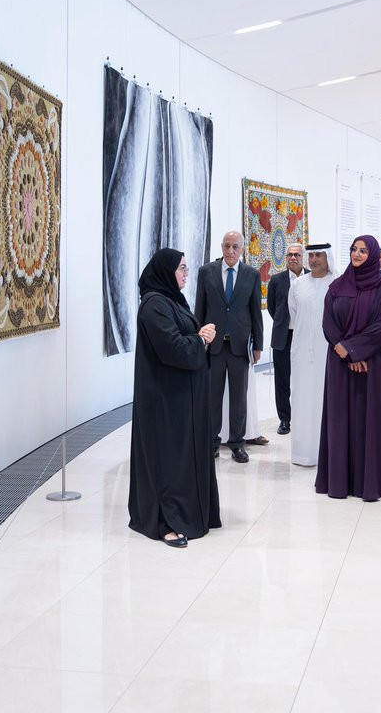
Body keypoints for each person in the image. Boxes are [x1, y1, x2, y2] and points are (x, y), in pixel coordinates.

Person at [128, 249, 222, 548]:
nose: (186, 273)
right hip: (164, 400)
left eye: (186, 268)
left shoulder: (172, 300)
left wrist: (199, 337)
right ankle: (166, 522)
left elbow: (182, 338)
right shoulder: (154, 305)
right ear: (165, 272)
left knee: (182, 457)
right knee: (167, 459)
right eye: (181, 268)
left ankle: (191, 512)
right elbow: (173, 349)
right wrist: (201, 339)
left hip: (180, 396)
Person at [316, 235, 381, 501]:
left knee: (370, 419)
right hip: (341, 362)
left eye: (363, 251)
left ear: (374, 255)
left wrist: (354, 350)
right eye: (354, 249)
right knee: (341, 419)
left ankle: (371, 482)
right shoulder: (337, 286)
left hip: (373, 363)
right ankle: (340, 481)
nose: (357, 254)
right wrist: (345, 350)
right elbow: (328, 321)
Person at [196, 231, 264, 463]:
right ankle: (212, 443)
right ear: (221, 247)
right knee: (212, 397)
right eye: (227, 246)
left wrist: (258, 345)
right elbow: (200, 309)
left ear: (242, 249)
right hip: (213, 347)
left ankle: (237, 444)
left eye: (235, 246)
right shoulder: (206, 272)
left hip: (240, 347)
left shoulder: (252, 275)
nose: (230, 251)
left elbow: (255, 312)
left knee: (238, 400)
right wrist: (198, 340)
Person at [287, 243, 336, 466]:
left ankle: (327, 454)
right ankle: (303, 453)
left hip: (329, 353)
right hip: (302, 353)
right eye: (312, 255)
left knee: (326, 400)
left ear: (328, 258)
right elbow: (294, 314)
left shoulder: (337, 283)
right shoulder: (298, 284)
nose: (314, 259)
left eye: (319, 255)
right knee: (302, 400)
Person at [267, 244, 304, 436]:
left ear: (303, 257)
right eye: (290, 254)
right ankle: (284, 419)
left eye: (297, 254)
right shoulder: (276, 280)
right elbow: (272, 308)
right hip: (283, 337)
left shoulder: (311, 278)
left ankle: (304, 416)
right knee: (282, 380)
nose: (293, 258)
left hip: (305, 337)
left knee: (304, 378)